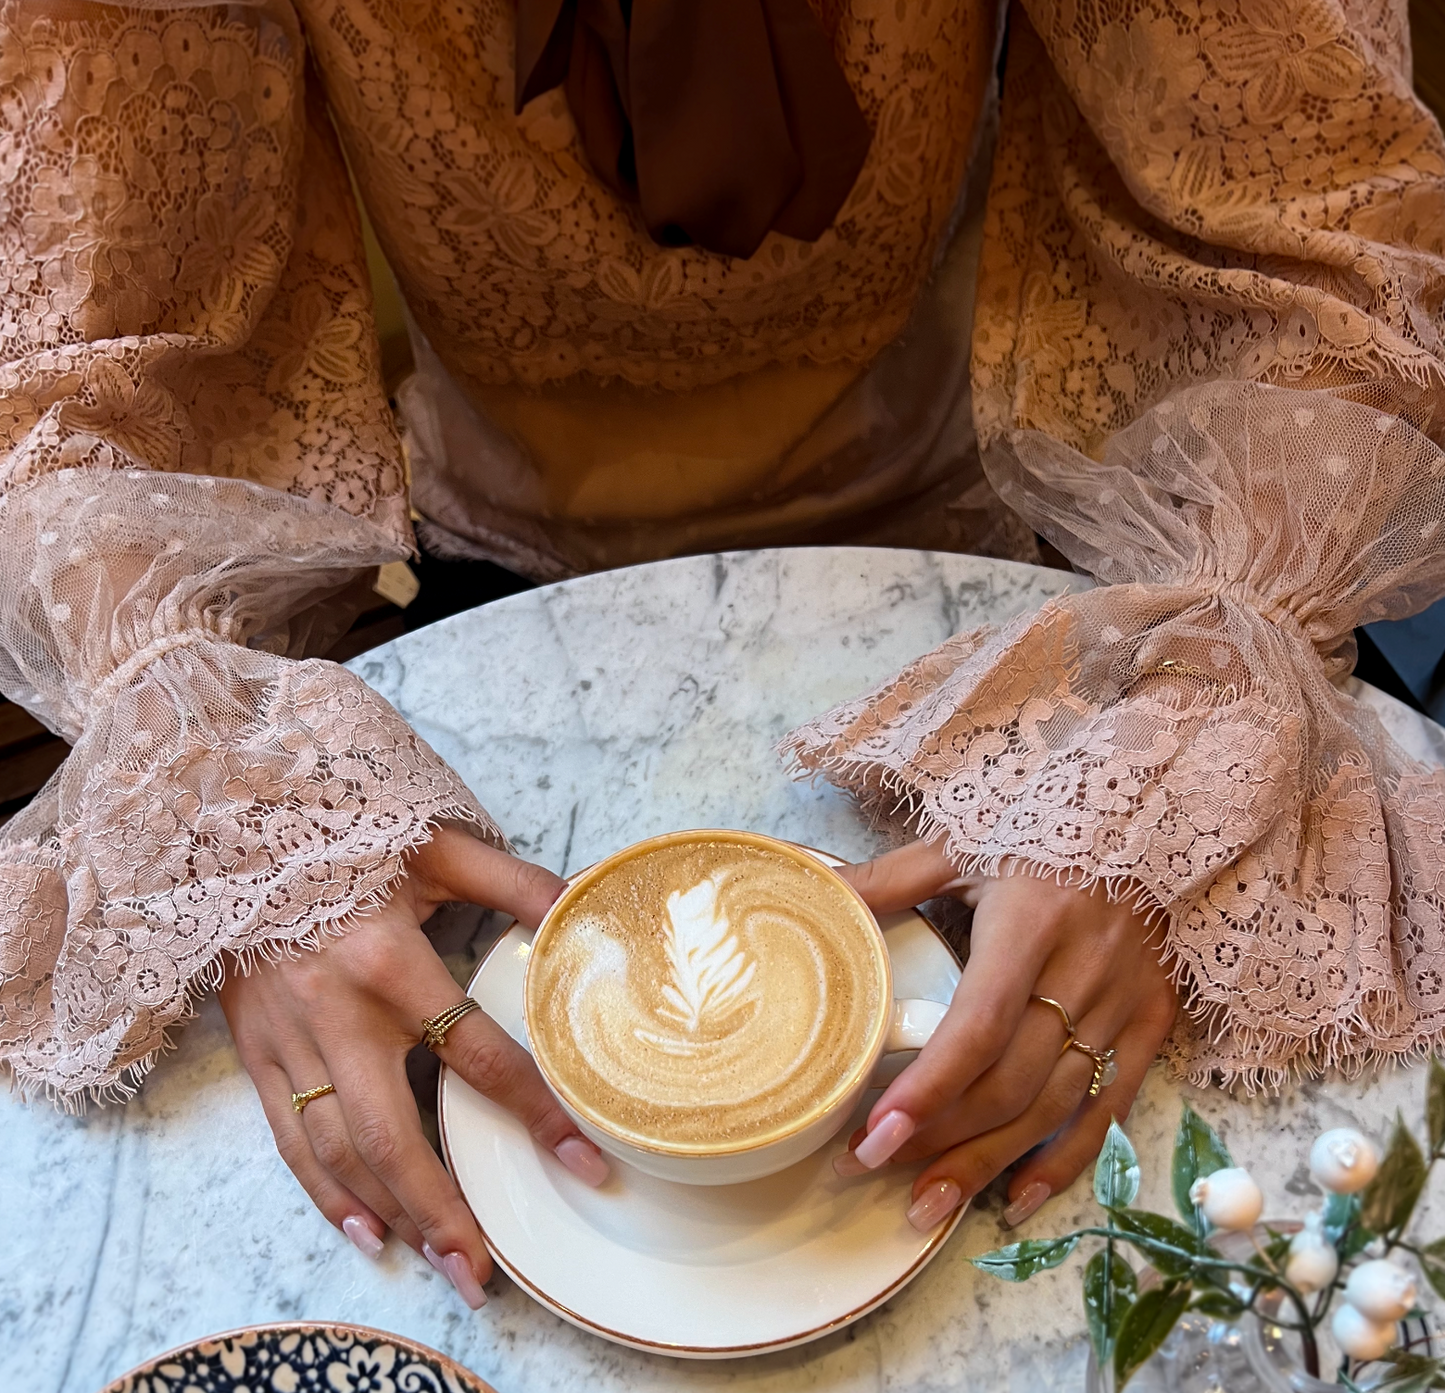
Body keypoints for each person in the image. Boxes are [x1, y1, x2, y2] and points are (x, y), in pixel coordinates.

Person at [2, 0, 1442, 1312]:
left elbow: (1313, 237)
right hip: (479, 583)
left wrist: (1186, 729)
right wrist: (208, 775)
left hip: (989, 583)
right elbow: (85, 356)